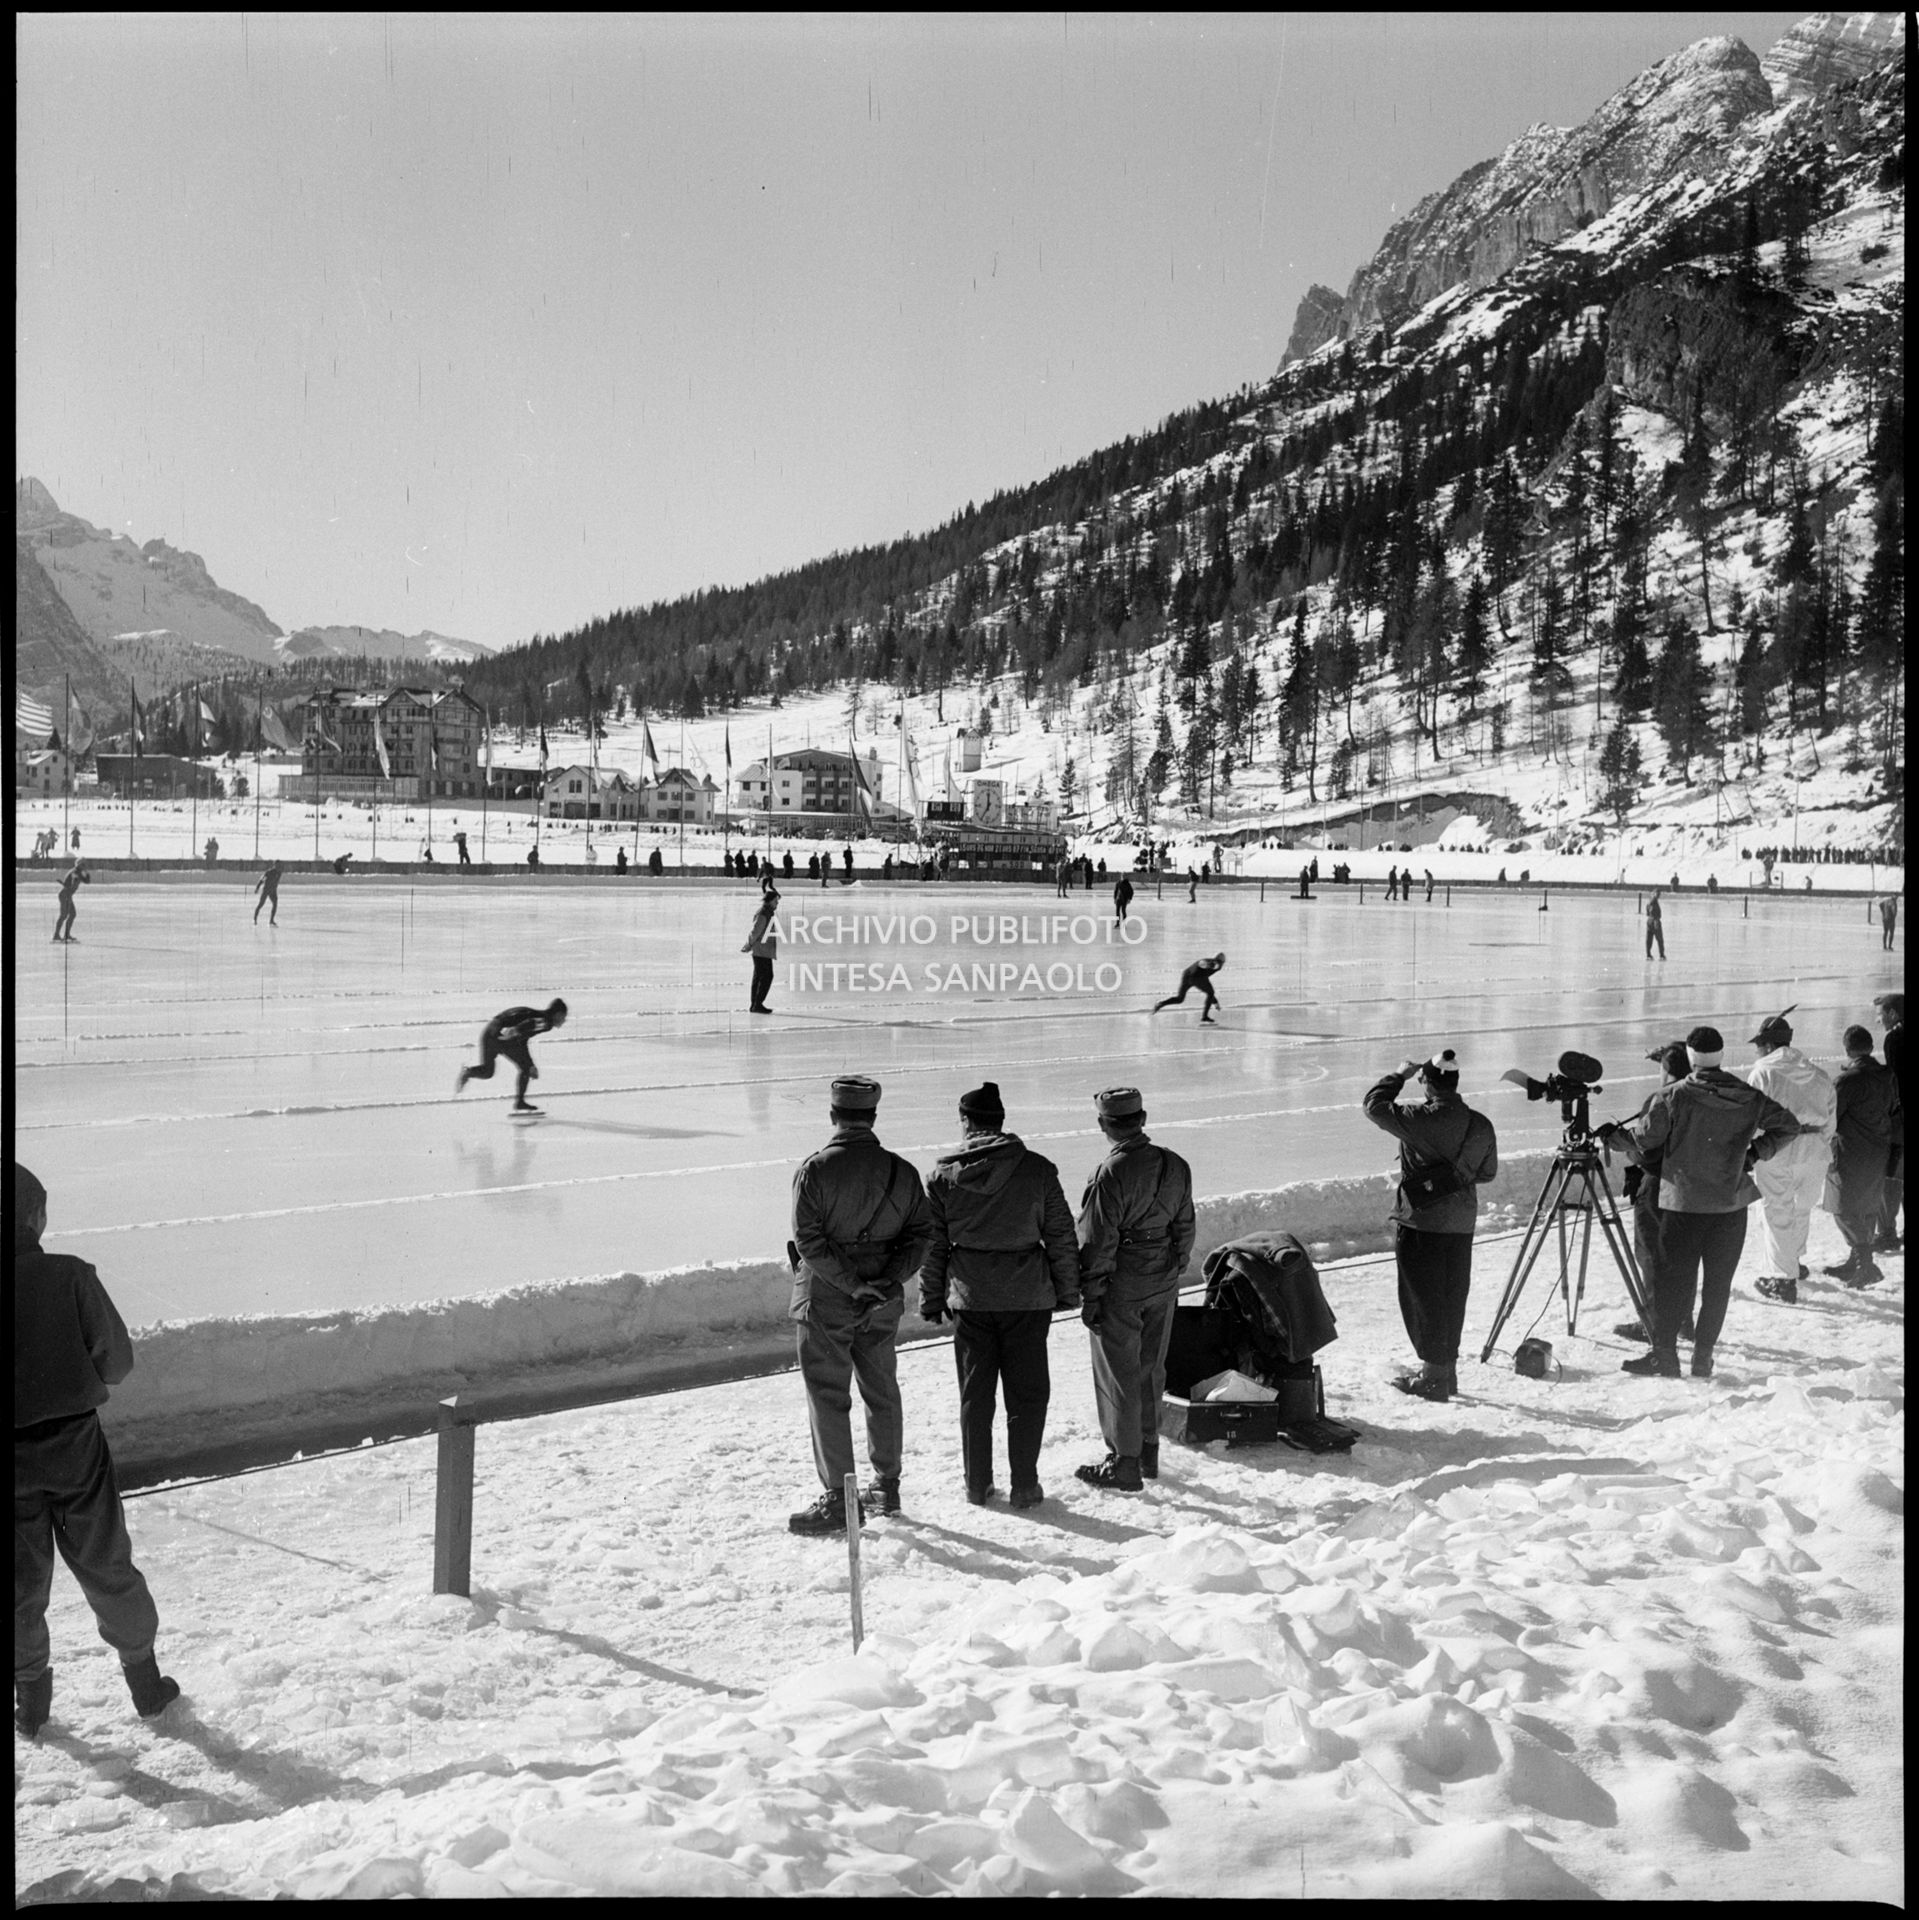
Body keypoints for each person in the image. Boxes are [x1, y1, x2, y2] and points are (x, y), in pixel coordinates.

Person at [14, 1163, 181, 1740]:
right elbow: (118, 1362)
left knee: (17, 1583)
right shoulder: (71, 1276)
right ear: (35, 1217)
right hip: (74, 1445)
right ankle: (145, 1683)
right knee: (106, 1563)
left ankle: (30, 1701)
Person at [918, 1082, 1080, 1509]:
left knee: (976, 1395)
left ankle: (977, 1484)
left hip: (971, 1300)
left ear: (966, 1122)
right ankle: (1025, 1484)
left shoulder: (942, 1177)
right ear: (1001, 1121)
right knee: (1027, 1394)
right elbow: (1061, 1235)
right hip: (1028, 1298)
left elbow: (933, 1244)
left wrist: (931, 1297)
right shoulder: (1038, 1170)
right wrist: (1067, 1290)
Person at [787, 1076, 933, 1535]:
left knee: (829, 1395)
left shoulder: (815, 1170)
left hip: (828, 1298)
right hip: (882, 1300)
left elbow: (808, 1242)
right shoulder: (902, 1171)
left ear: (834, 1115)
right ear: (872, 1116)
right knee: (881, 1390)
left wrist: (850, 1284)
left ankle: (838, 1499)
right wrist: (887, 1280)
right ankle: (886, 1486)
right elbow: (921, 1236)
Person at [1612, 1025, 1801, 1379]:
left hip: (1684, 1206)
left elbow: (1645, 1141)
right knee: (1718, 1285)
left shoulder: (1673, 1096)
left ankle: (1665, 1356)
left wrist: (1619, 1140)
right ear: (1722, 1055)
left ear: (1691, 1057)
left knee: (1673, 1281)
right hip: (1730, 1206)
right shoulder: (1747, 1095)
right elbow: (1788, 1126)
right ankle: (1703, 1358)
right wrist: (1756, 1152)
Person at [1073, 1086, 1195, 1490]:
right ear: (1142, 1119)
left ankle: (1123, 1463)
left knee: (1118, 1374)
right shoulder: (1174, 1163)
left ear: (1104, 1125)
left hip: (1122, 1284)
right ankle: (1148, 1451)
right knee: (1150, 1368)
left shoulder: (1111, 1172)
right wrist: (1172, 1268)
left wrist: (1091, 1295)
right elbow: (1185, 1226)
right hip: (1162, 1279)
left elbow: (1098, 1241)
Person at [1366, 1050, 1499, 1401]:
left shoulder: (1418, 1117)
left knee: (1422, 1299)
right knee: (1452, 1297)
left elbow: (1374, 1106)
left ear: (1427, 1081)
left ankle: (1433, 1377)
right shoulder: (1480, 1123)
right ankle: (1446, 1371)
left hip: (1422, 1222)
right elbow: (1487, 1172)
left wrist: (1398, 1074)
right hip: (1461, 1222)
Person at [1745, 1009, 1836, 1304]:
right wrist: (1817, 1144)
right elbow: (1830, 1121)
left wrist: (1751, 1150)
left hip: (1778, 1147)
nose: (1757, 1050)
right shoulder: (1818, 1073)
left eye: (1759, 1044)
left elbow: (1751, 1118)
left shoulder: (1763, 1071)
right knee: (1800, 1208)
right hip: (1815, 1147)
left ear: (1769, 1045)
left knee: (1776, 1211)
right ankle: (1793, 1264)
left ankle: (1782, 1281)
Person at [1823, 1026, 1900, 1288]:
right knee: (1867, 1205)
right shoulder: (1887, 1074)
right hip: (1878, 1148)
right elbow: (1892, 1107)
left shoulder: (1847, 1080)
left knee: (1841, 1206)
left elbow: (1830, 1117)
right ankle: (1856, 1260)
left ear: (1846, 1049)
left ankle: (1864, 1262)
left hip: (1849, 1151)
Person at [454, 999, 568, 1113]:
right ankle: (520, 1102)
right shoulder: (546, 1022)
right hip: (502, 1036)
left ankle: (468, 1072)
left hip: (489, 1031)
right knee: (526, 1069)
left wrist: (530, 1062)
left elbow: (523, 1040)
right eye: (563, 1017)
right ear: (558, 1014)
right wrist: (516, 1030)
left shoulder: (537, 1014)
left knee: (487, 1071)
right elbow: (530, 1024)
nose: (564, 1021)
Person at [1874, 992, 1905, 1250]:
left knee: (1891, 1174)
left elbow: (1895, 1079)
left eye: (1881, 1014)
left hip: (1900, 1118)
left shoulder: (1894, 1038)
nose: (1878, 1020)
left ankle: (1886, 1234)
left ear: (1893, 1014)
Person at [1152, 952, 1225, 1024]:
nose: (1217, 965)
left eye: (1220, 963)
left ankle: (1160, 1003)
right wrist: (1207, 964)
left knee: (1180, 999)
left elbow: (1209, 989)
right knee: (1210, 992)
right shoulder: (1209, 962)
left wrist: (1215, 1002)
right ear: (1214, 959)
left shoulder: (1218, 967)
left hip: (1191, 976)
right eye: (1217, 962)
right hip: (1192, 977)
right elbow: (1201, 963)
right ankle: (1204, 1017)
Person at [743, 884, 779, 1014]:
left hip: (763, 950)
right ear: (769, 901)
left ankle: (755, 1004)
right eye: (776, 901)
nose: (777, 904)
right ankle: (757, 1004)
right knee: (766, 976)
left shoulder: (767, 913)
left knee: (759, 977)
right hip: (761, 951)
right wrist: (748, 944)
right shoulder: (763, 914)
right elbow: (755, 931)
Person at [53, 861, 90, 943]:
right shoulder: (75, 872)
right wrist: (73, 883)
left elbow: (87, 881)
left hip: (68, 895)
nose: (84, 867)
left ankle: (66, 934)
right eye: (83, 865)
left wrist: (86, 874)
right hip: (65, 895)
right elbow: (73, 881)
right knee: (64, 915)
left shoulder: (79, 872)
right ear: (79, 865)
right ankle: (56, 935)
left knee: (72, 914)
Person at [253, 862, 283, 926]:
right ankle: (255, 919)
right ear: (274, 865)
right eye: (277, 865)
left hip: (273, 891)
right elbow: (262, 880)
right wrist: (257, 888)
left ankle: (271, 920)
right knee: (261, 904)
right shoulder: (269, 872)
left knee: (275, 904)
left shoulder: (279, 873)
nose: (278, 867)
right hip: (266, 890)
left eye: (279, 866)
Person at [1644, 887, 1666, 960]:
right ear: (1654, 893)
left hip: (1649, 920)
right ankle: (1661, 955)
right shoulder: (1654, 901)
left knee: (1649, 939)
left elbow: (1647, 911)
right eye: (1658, 894)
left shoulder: (1649, 901)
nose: (1659, 895)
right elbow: (1653, 911)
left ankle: (1648, 954)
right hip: (1655, 920)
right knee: (1659, 939)